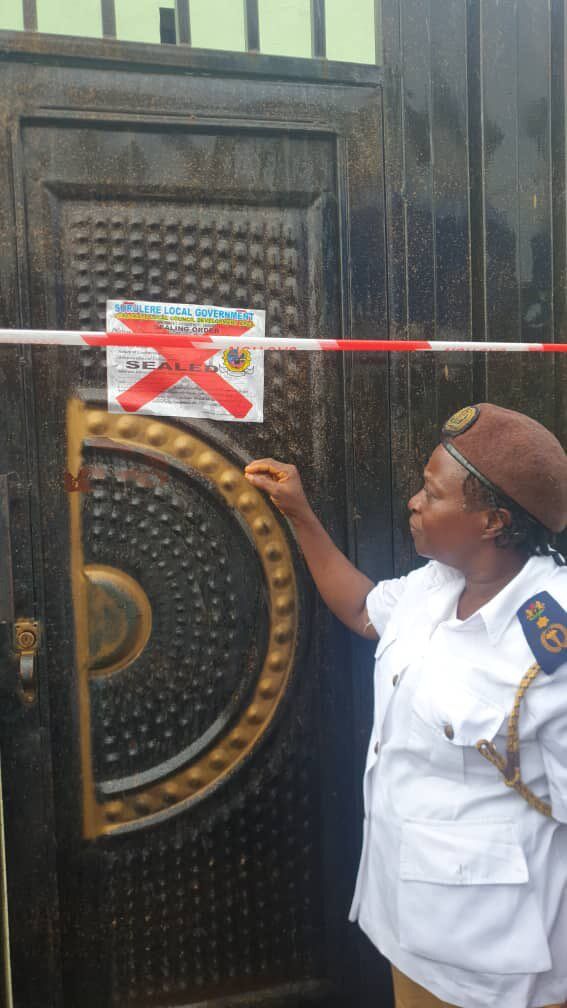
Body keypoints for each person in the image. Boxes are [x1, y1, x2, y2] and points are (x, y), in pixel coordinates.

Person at [244, 403, 567, 1008]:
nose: (415, 501)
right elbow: (366, 611)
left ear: (492, 521)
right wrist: (300, 514)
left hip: (501, 965)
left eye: (431, 492)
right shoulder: (437, 583)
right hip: (412, 922)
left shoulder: (551, 644)